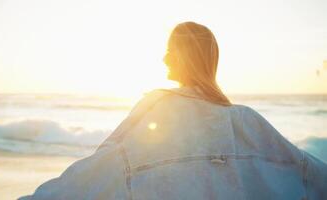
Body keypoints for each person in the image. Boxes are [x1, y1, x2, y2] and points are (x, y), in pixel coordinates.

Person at [19, 21, 327, 200]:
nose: (164, 58)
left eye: (170, 50)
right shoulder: (247, 121)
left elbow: (100, 170)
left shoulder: (157, 112)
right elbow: (307, 172)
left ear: (181, 57)